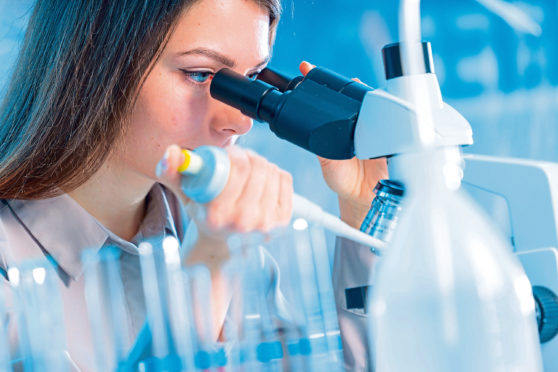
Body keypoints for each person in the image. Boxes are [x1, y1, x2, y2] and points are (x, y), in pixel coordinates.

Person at [0, 0, 387, 370]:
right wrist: (209, 270)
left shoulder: (221, 238)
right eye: (199, 74)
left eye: (251, 79)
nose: (239, 121)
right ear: (88, 62)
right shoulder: (217, 244)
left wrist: (361, 215)